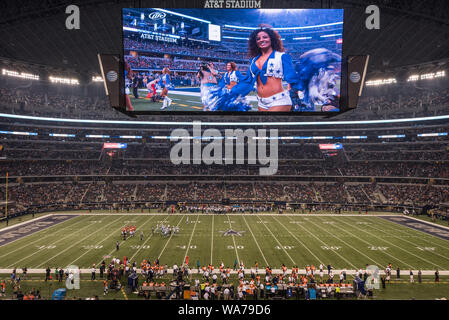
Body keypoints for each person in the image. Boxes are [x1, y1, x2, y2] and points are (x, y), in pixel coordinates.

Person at [226, 25, 301, 112]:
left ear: (272, 39)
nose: (261, 40)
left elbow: (291, 76)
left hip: (279, 100)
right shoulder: (254, 60)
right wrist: (231, 93)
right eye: (258, 39)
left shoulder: (282, 56)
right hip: (261, 102)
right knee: (261, 125)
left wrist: (304, 86)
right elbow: (248, 81)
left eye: (265, 37)